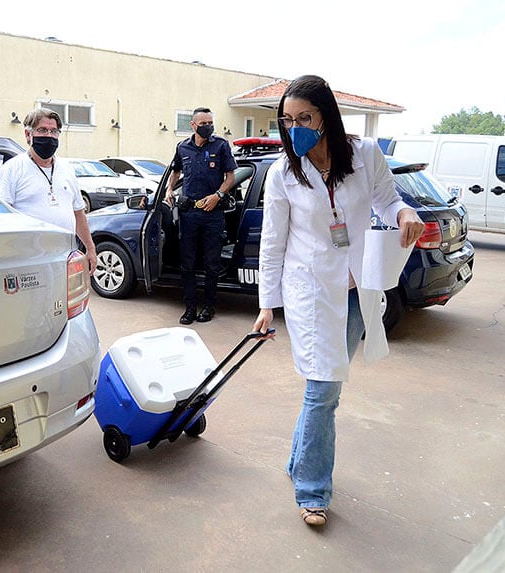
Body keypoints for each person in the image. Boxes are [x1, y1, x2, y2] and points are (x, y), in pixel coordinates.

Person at [251, 75, 425, 527]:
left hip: (356, 287)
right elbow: (272, 241)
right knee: (323, 390)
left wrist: (406, 212)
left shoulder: (365, 155)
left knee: (325, 387)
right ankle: (312, 490)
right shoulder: (283, 173)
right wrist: (267, 304)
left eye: (304, 118)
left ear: (326, 115)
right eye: (287, 121)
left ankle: (297, 461)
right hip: (309, 290)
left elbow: (387, 200)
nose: (295, 128)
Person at [0, 107, 97, 272]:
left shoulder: (66, 169)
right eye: (42, 130)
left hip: (65, 258)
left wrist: (90, 248)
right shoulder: (12, 169)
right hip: (27, 261)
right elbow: (2, 217)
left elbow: (78, 213)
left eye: (54, 131)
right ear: (28, 135)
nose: (49, 136)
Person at [166, 107, 236, 325]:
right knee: (187, 264)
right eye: (203, 123)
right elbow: (176, 171)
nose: (208, 127)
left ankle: (209, 306)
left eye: (210, 123)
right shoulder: (182, 147)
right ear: (193, 125)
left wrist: (218, 196)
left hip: (212, 214)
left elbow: (230, 177)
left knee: (211, 264)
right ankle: (190, 307)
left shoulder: (221, 146)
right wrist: (169, 189)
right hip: (189, 214)